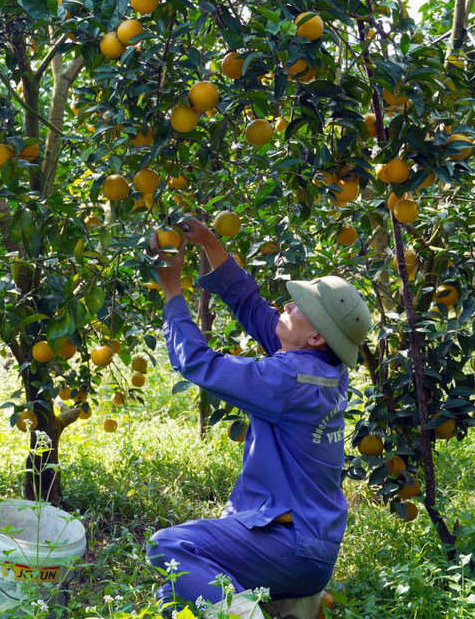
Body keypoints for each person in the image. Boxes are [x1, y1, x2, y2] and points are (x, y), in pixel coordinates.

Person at [144, 218, 372, 618]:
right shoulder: (323, 367)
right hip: (308, 547)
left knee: (169, 547)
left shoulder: (288, 381)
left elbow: (197, 363)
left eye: (299, 306)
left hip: (288, 544)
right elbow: (252, 307)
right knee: (174, 592)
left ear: (317, 336)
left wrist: (172, 291)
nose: (286, 305)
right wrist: (211, 243)